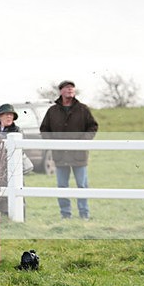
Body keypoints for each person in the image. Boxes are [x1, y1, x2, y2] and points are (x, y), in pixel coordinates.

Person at [39, 80, 99, 219]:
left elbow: (93, 126)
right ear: (61, 91)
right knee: (62, 186)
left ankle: (84, 214)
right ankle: (65, 215)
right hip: (60, 156)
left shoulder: (83, 109)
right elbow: (44, 129)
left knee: (82, 186)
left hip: (79, 155)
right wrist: (53, 144)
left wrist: (83, 142)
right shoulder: (52, 111)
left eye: (72, 88)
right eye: (66, 88)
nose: (70, 90)